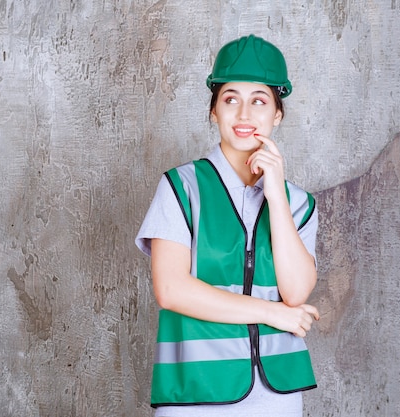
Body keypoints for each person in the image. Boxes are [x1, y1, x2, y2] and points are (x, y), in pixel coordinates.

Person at [135, 34, 320, 417]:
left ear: (277, 114)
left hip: (278, 397)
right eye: (231, 99)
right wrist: (271, 313)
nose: (244, 114)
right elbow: (171, 289)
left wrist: (276, 195)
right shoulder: (180, 188)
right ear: (214, 111)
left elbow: (297, 290)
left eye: (259, 101)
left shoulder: (299, 203)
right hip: (195, 394)